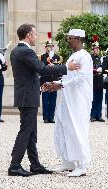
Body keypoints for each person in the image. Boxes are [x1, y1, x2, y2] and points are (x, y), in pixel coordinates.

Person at [8, 23, 80, 177]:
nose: (36, 36)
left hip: (27, 95)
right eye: (34, 33)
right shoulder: (26, 52)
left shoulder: (17, 51)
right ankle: (14, 165)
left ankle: (35, 164)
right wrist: (66, 67)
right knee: (26, 131)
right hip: (28, 96)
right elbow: (42, 69)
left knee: (31, 132)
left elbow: (34, 72)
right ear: (28, 35)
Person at [43, 29, 93, 177]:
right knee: (63, 126)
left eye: (70, 38)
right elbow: (68, 77)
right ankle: (68, 161)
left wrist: (61, 85)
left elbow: (82, 77)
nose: (68, 40)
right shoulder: (72, 56)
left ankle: (82, 164)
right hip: (66, 98)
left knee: (77, 129)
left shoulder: (85, 56)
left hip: (78, 99)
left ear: (78, 39)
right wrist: (56, 83)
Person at [39, 32, 62, 123]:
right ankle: (45, 117)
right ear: (46, 47)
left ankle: (51, 117)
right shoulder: (42, 57)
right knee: (45, 100)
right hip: (45, 80)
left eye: (51, 46)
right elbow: (41, 68)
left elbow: (59, 69)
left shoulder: (57, 57)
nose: (50, 48)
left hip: (54, 81)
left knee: (53, 100)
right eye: (48, 46)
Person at [90, 35, 105, 123]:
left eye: (98, 48)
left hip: (100, 79)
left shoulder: (101, 58)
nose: (97, 50)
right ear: (93, 49)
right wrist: (95, 70)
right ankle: (92, 115)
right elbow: (88, 68)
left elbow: (103, 67)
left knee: (99, 98)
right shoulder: (90, 58)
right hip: (93, 79)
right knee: (93, 98)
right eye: (95, 48)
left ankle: (98, 115)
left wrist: (102, 68)